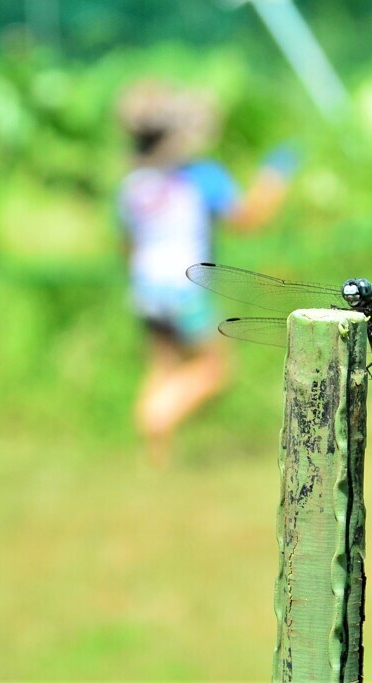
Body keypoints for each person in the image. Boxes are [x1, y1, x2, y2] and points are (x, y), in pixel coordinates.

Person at [115, 80, 295, 468]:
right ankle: (157, 417)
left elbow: (126, 244)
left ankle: (156, 461)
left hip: (145, 287)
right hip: (185, 289)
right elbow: (248, 218)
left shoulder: (132, 185)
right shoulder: (201, 176)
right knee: (215, 369)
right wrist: (275, 176)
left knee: (162, 365)